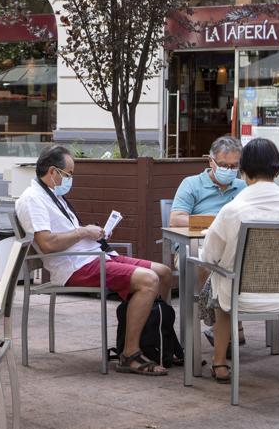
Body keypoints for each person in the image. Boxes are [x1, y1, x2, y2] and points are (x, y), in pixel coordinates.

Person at [16, 145, 172, 376]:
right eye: (68, 174)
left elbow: (67, 233)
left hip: (91, 256)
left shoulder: (54, 196)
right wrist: (83, 232)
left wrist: (92, 233)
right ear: (53, 172)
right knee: (149, 280)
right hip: (74, 266)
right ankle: (130, 354)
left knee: (164, 272)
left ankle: (156, 338)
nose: (71, 179)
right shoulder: (33, 199)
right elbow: (47, 244)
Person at [196, 138, 279, 383]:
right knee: (228, 283)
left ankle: (220, 363)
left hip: (242, 297)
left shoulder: (233, 210)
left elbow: (209, 257)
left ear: (243, 170)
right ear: (277, 170)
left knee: (222, 284)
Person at [169, 136, 247, 228]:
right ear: (211, 161)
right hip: (200, 239)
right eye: (223, 165)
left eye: (234, 166)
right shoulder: (191, 184)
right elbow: (175, 220)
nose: (229, 170)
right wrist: (218, 222)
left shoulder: (243, 187)